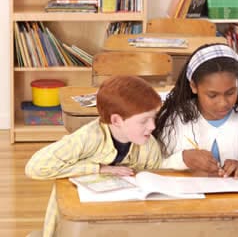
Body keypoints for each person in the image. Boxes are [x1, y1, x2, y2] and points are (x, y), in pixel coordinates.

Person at [25, 75, 163, 237]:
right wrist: (98, 169)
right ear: (117, 120)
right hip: (81, 220)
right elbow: (35, 167)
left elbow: (153, 185)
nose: (153, 126)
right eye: (144, 121)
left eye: (153, 118)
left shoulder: (148, 145)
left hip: (122, 220)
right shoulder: (87, 137)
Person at [153, 43, 238, 178]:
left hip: (233, 196)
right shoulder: (175, 120)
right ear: (193, 86)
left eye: (231, 92)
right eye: (212, 95)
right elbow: (156, 166)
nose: (223, 103)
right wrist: (183, 158)